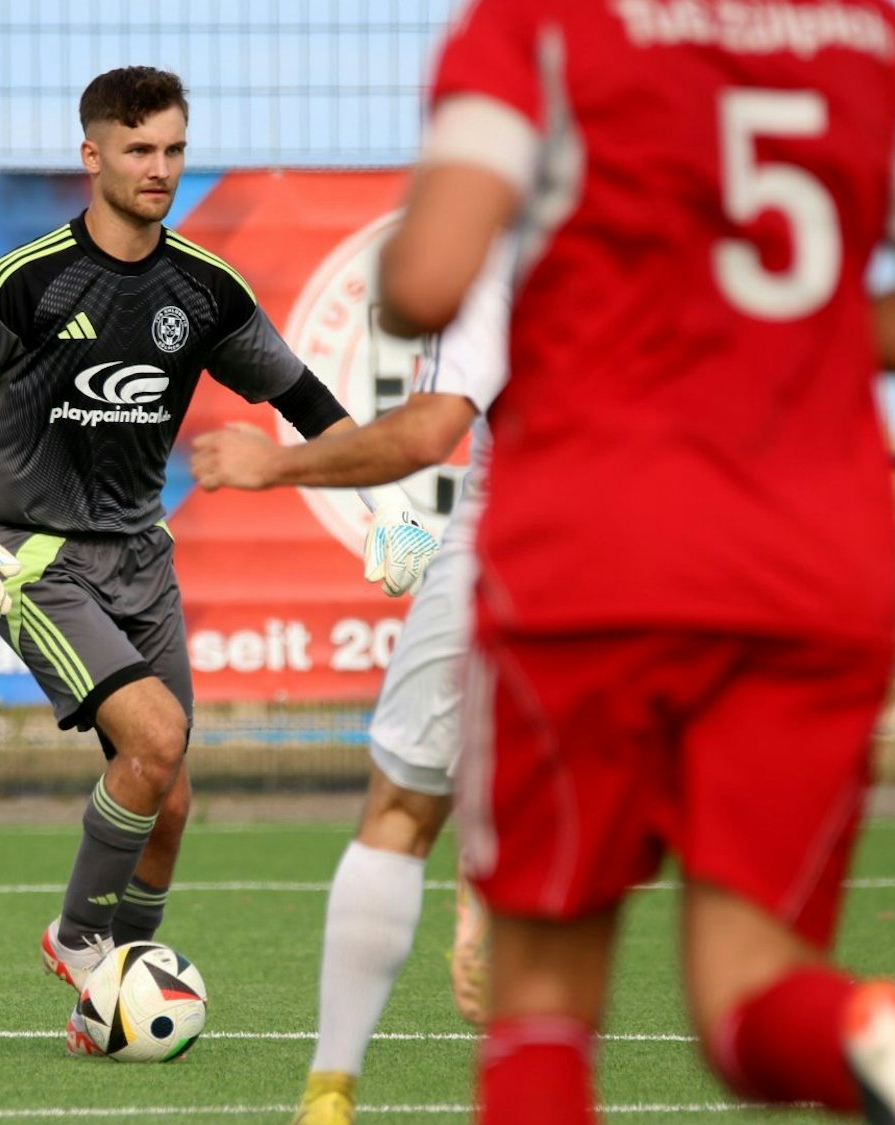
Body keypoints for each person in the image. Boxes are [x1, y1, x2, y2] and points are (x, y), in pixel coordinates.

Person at [364, 0, 895, 1120]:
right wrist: (770, 337)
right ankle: (861, 1028)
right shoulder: (872, 37)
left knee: (536, 1005)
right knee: (746, 1004)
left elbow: (425, 283)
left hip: (595, 557)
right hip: (814, 568)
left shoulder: (533, 25)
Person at [0, 66, 439, 1052]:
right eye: (138, 149)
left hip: (141, 557)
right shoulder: (28, 282)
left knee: (171, 797)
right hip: (34, 558)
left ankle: (108, 1004)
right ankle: (76, 938)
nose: (159, 169)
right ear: (90, 154)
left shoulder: (204, 288)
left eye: (174, 150)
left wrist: (389, 505)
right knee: (150, 743)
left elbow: (308, 404)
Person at [192, 251, 512, 1125]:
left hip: (513, 546)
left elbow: (422, 433)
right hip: (661, 559)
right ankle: (504, 848)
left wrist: (272, 467)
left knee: (400, 813)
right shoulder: (694, 255)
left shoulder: (510, 258)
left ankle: (329, 1094)